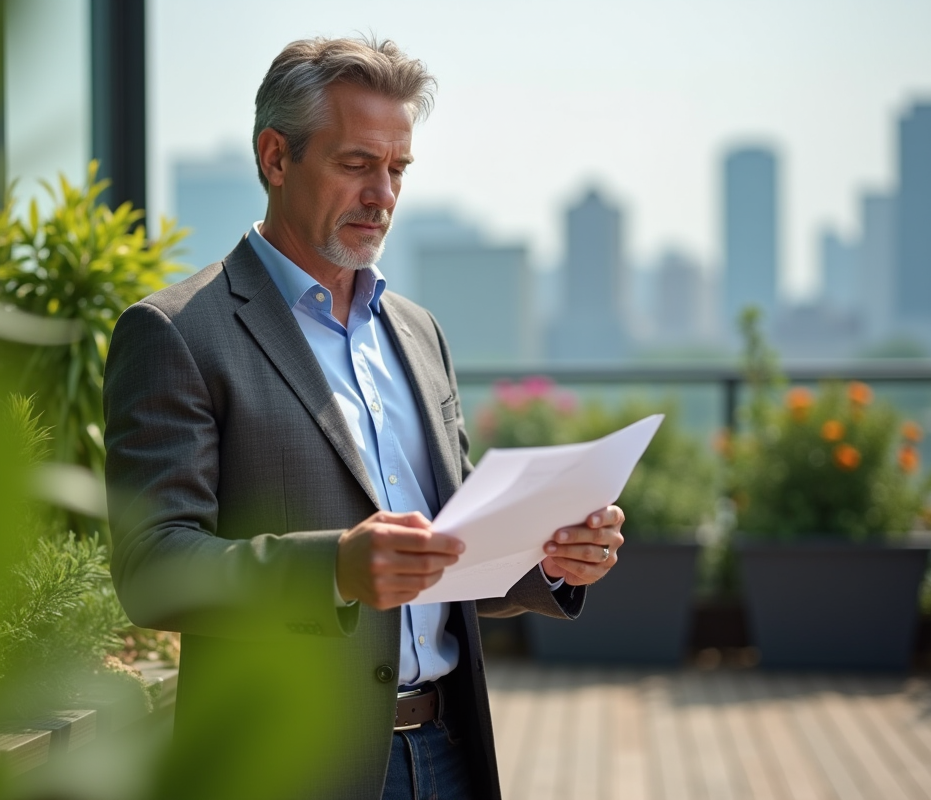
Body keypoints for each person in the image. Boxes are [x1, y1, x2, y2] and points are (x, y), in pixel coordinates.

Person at [103, 36, 625, 800]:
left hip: (448, 753)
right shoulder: (177, 333)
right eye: (356, 164)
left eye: (398, 169)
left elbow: (457, 545)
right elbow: (153, 571)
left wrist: (551, 555)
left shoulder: (418, 332)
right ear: (276, 158)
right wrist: (335, 571)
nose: (382, 195)